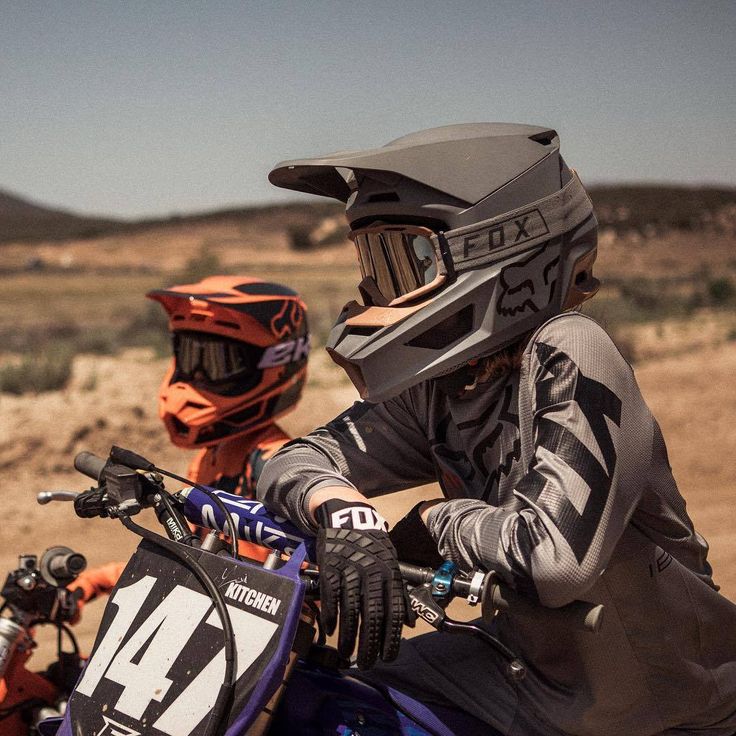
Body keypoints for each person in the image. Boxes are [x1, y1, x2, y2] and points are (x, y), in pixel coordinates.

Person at [257, 124, 736, 735]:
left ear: (502, 251)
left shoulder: (570, 351)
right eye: (374, 265)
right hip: (537, 669)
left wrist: (432, 523)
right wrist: (344, 514)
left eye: (407, 261)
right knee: (329, 700)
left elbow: (555, 562)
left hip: (661, 693)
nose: (380, 291)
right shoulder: (442, 386)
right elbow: (293, 459)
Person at [147, 275, 310, 498]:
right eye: (190, 356)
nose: (198, 376)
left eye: (219, 362)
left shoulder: (274, 464)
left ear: (276, 363)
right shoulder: (213, 453)